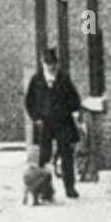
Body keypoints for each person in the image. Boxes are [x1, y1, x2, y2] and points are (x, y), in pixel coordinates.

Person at [24, 47, 82, 198]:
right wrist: (36, 117)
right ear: (42, 63)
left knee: (66, 155)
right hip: (44, 124)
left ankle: (70, 187)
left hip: (63, 123)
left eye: (54, 63)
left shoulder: (63, 79)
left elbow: (75, 99)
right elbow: (29, 102)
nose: (51, 66)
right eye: (48, 63)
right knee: (44, 157)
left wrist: (67, 109)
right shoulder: (36, 80)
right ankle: (44, 189)